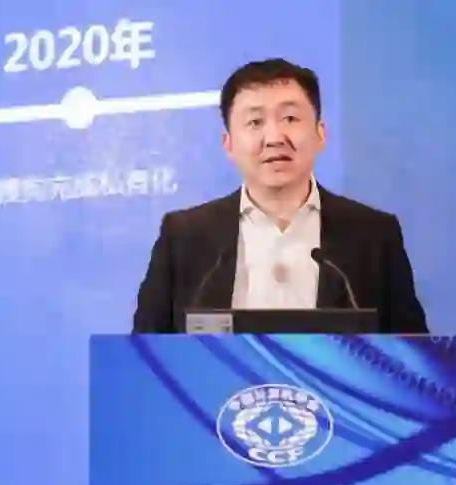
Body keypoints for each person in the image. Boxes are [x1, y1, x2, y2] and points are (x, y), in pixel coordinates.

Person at [132, 58, 429, 334]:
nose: (274, 138)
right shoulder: (183, 237)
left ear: (320, 134)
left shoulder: (374, 235)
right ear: (228, 144)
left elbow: (413, 358)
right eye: (255, 122)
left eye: (290, 118)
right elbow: (143, 356)